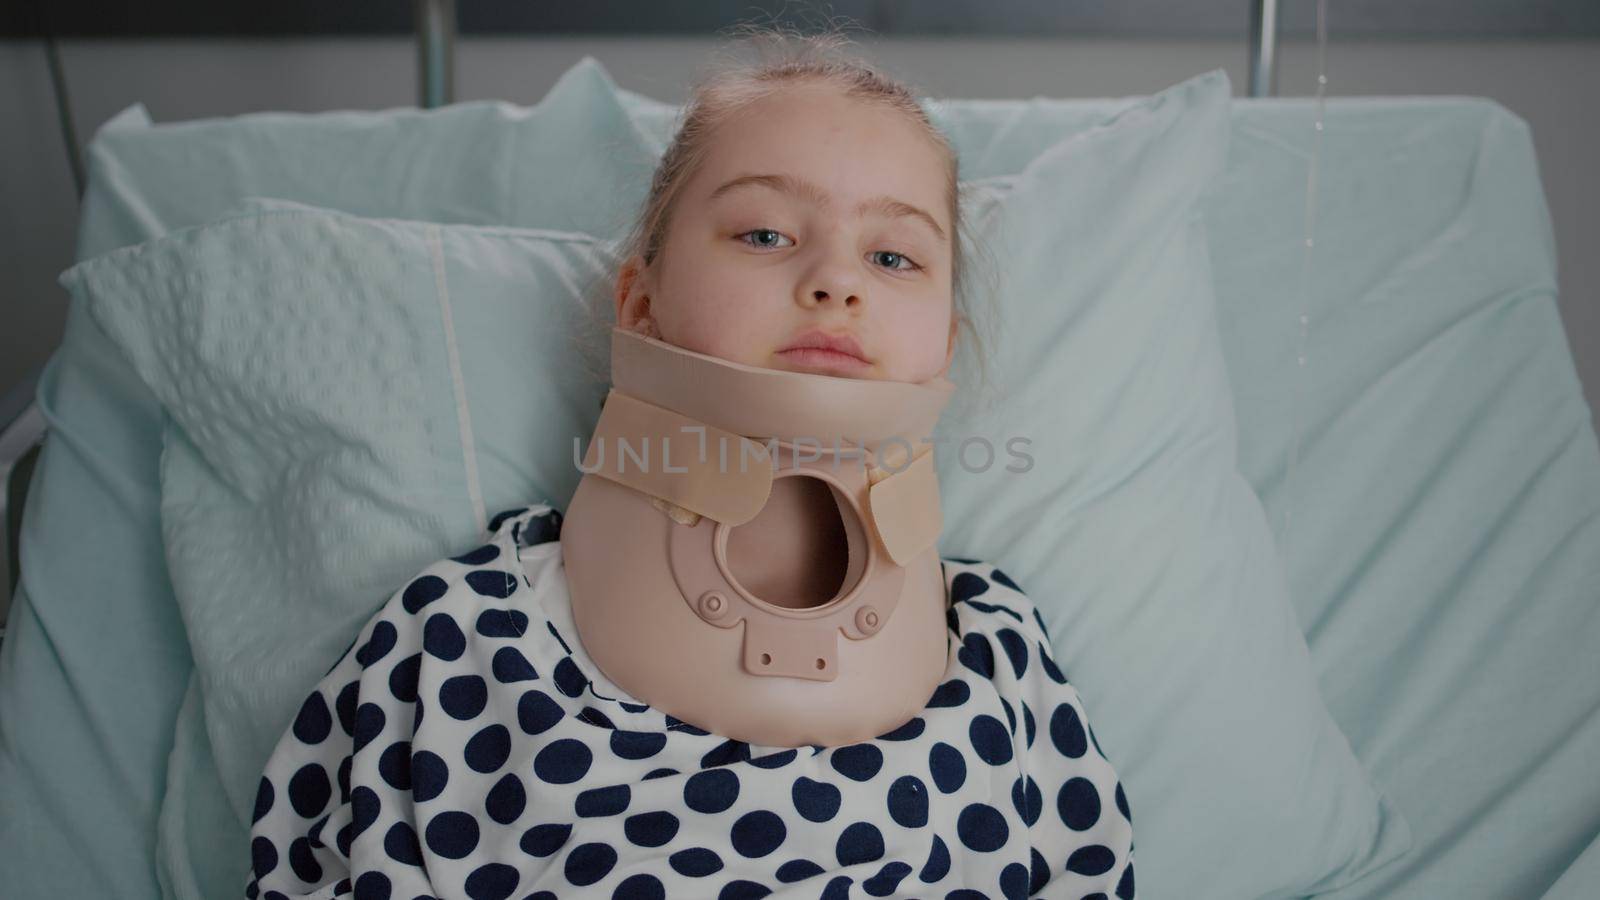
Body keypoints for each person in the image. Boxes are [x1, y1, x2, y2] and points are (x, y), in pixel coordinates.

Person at [246, 24, 1134, 900]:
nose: (836, 279)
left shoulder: (998, 655)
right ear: (638, 304)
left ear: (943, 345)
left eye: (893, 255)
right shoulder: (459, 637)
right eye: (764, 235)